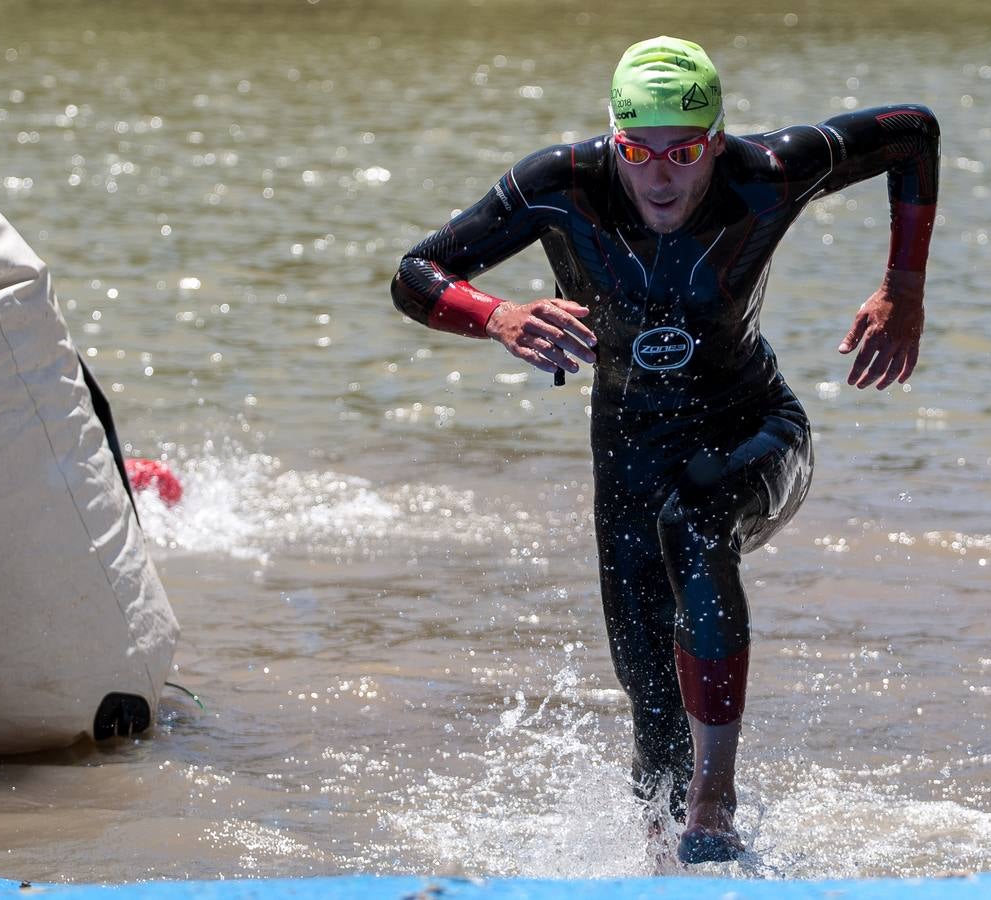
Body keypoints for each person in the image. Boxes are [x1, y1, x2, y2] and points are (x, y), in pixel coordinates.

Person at [391, 36, 939, 864]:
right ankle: (665, 854)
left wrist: (904, 286)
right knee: (650, 696)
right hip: (628, 454)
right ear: (613, 138)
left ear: (716, 140)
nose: (659, 177)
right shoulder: (558, 184)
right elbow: (416, 273)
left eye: (683, 152)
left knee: (696, 525)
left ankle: (715, 803)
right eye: (638, 152)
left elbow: (912, 130)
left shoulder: (771, 170)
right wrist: (496, 315)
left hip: (755, 430)